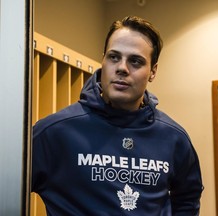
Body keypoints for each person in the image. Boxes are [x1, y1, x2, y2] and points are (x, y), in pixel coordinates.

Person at [32, 15, 203, 215]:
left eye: (136, 61)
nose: (122, 68)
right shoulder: (54, 132)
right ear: (103, 60)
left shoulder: (174, 138)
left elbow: (188, 198)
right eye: (114, 57)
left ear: (153, 71)